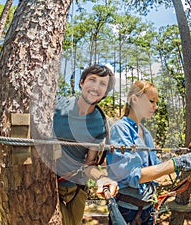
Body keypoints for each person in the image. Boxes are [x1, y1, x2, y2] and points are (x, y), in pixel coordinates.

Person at [106, 80, 191, 225]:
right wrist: (176, 163)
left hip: (147, 209)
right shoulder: (120, 129)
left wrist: (185, 162)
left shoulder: (145, 132)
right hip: (127, 211)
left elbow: (156, 168)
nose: (155, 107)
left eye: (156, 102)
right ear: (134, 99)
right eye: (151, 101)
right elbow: (133, 175)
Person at [53, 65, 118, 225]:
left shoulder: (100, 124)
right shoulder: (56, 105)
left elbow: (89, 164)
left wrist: (102, 178)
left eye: (103, 84)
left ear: (105, 92)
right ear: (82, 82)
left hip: (77, 189)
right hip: (48, 187)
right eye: (92, 80)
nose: (96, 87)